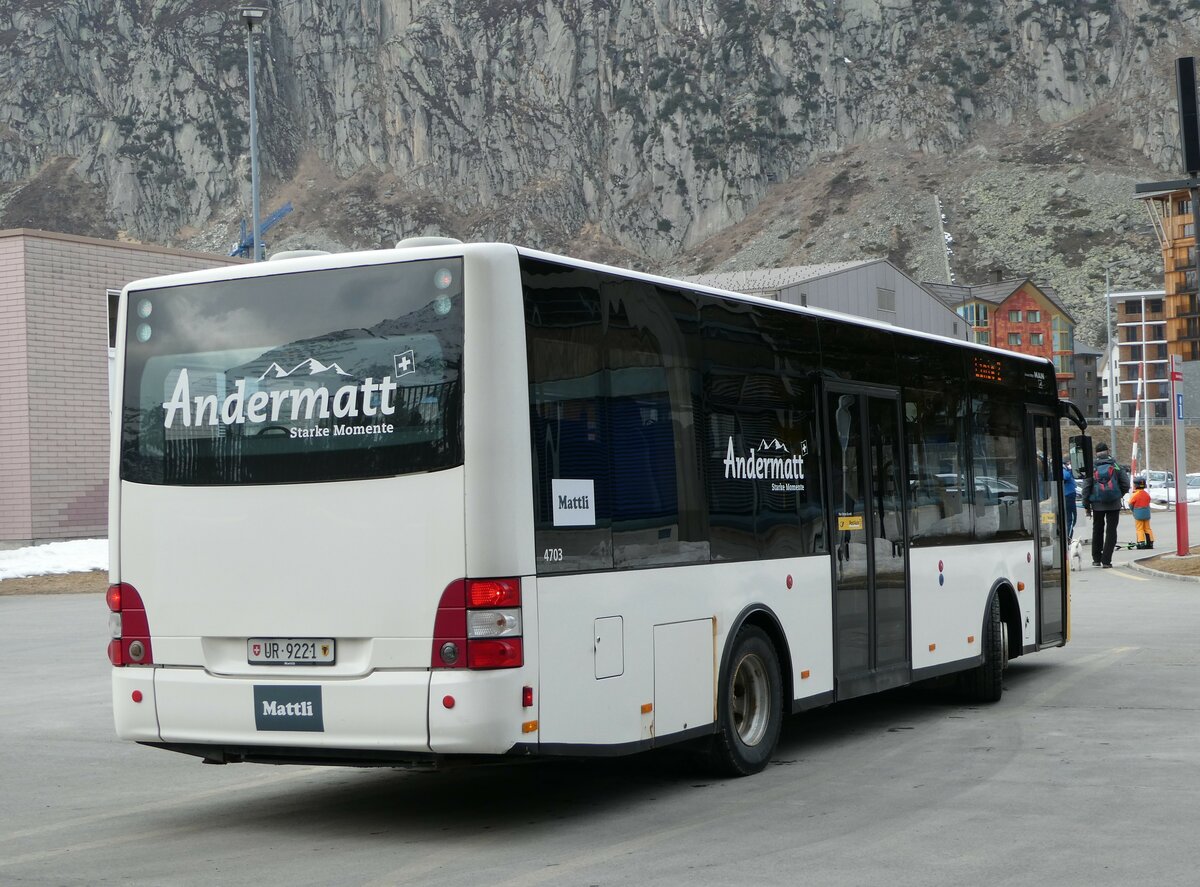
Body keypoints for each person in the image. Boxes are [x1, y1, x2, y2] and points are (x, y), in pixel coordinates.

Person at [1082, 442, 1130, 568]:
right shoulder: (1116, 466)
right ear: (1108, 451)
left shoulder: (1091, 467)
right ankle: (1106, 560)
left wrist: (1087, 504)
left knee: (1097, 530)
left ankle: (1096, 559)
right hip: (1114, 504)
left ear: (1096, 453)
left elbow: (1086, 487)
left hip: (1097, 504)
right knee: (1111, 531)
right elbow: (1126, 484)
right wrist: (1118, 495)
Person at [1129, 476, 1155, 550]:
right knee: (1147, 528)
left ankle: (1141, 542)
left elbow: (1130, 504)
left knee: (1139, 528)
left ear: (1135, 485)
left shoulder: (1135, 494)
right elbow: (1148, 501)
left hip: (1138, 513)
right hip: (1146, 513)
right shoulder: (1146, 494)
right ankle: (1150, 542)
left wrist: (1133, 510)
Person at [1062, 458, 1077, 541]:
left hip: (1070, 495)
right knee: (1071, 518)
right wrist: (1069, 469)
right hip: (1068, 495)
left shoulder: (1066, 469)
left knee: (1072, 518)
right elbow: (1066, 476)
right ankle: (1068, 538)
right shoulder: (1063, 470)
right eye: (1067, 463)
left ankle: (1068, 536)